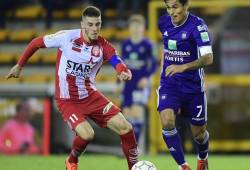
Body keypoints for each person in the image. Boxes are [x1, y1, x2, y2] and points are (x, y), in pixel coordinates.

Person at [6, 6, 139, 170]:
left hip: (90, 96)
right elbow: (36, 43)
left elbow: (116, 61)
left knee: (126, 127)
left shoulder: (103, 45)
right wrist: (20, 65)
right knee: (88, 134)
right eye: (90, 24)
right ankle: (72, 160)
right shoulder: (66, 37)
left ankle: (134, 168)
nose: (95, 28)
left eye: (98, 24)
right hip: (67, 99)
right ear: (82, 24)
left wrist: (122, 71)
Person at [157, 0, 214, 170]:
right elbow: (166, 47)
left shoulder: (198, 26)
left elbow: (208, 58)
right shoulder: (163, 22)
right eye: (168, 7)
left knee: (199, 133)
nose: (171, 12)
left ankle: (202, 157)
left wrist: (183, 67)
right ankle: (183, 166)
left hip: (193, 87)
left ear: (186, 6)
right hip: (170, 85)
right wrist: (164, 70)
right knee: (167, 121)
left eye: (175, 7)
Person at [120, 14, 157, 143]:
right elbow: (121, 63)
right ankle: (128, 145)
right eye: (133, 26)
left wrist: (146, 78)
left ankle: (135, 145)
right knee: (126, 114)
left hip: (140, 82)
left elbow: (153, 64)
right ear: (129, 28)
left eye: (138, 26)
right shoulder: (125, 44)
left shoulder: (148, 44)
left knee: (137, 111)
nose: (135, 28)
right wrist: (118, 79)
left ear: (143, 28)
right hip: (128, 83)